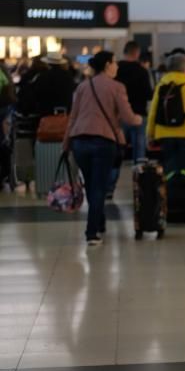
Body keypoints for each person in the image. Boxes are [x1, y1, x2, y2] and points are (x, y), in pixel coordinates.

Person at [64, 51, 142, 245]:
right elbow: (128, 117)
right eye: (115, 63)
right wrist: (139, 119)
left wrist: (66, 142)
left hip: (80, 141)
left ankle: (99, 222)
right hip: (103, 141)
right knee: (98, 187)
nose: (117, 66)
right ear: (108, 64)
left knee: (91, 185)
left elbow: (73, 117)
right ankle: (92, 233)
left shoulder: (82, 86)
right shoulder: (116, 87)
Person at [146, 53, 185, 170]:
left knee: (168, 168)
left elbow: (153, 111)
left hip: (163, 134)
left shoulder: (161, 85)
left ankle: (170, 188)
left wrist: (150, 134)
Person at [116, 41, 153, 162]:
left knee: (117, 150)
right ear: (137, 53)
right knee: (139, 151)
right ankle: (139, 177)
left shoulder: (115, 69)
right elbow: (149, 94)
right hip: (139, 114)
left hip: (119, 115)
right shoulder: (142, 71)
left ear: (124, 52)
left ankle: (113, 177)